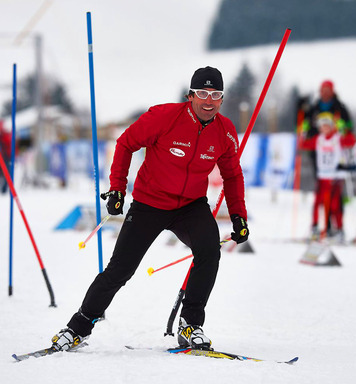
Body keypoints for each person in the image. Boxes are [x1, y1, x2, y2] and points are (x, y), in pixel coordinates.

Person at [50, 66, 249, 352]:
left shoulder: (225, 131)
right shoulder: (164, 116)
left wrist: (238, 215)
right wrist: (118, 187)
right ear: (190, 95)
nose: (209, 101)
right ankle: (78, 327)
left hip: (191, 205)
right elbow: (125, 143)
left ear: (221, 98)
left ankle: (191, 324)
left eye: (215, 94)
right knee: (120, 270)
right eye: (202, 93)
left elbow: (232, 175)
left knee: (209, 252)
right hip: (150, 202)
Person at [300, 112, 351, 242]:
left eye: (327, 125)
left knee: (334, 205)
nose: (325, 128)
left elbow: (350, 141)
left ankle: (339, 230)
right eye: (322, 126)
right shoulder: (319, 139)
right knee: (317, 203)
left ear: (332, 126)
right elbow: (304, 144)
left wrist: (344, 128)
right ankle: (315, 228)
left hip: (334, 177)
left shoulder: (337, 137)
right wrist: (303, 131)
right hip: (322, 176)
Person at [302, 80, 354, 179]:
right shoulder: (314, 107)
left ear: (332, 91)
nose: (325, 93)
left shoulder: (340, 107)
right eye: (323, 90)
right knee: (319, 173)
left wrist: (343, 127)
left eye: (328, 90)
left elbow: (349, 126)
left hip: (335, 145)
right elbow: (305, 124)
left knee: (336, 176)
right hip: (318, 144)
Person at [0, 120, 12, 193]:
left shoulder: (6, 135)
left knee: (6, 173)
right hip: (4, 156)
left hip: (6, 157)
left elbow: (10, 144)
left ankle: (4, 189)